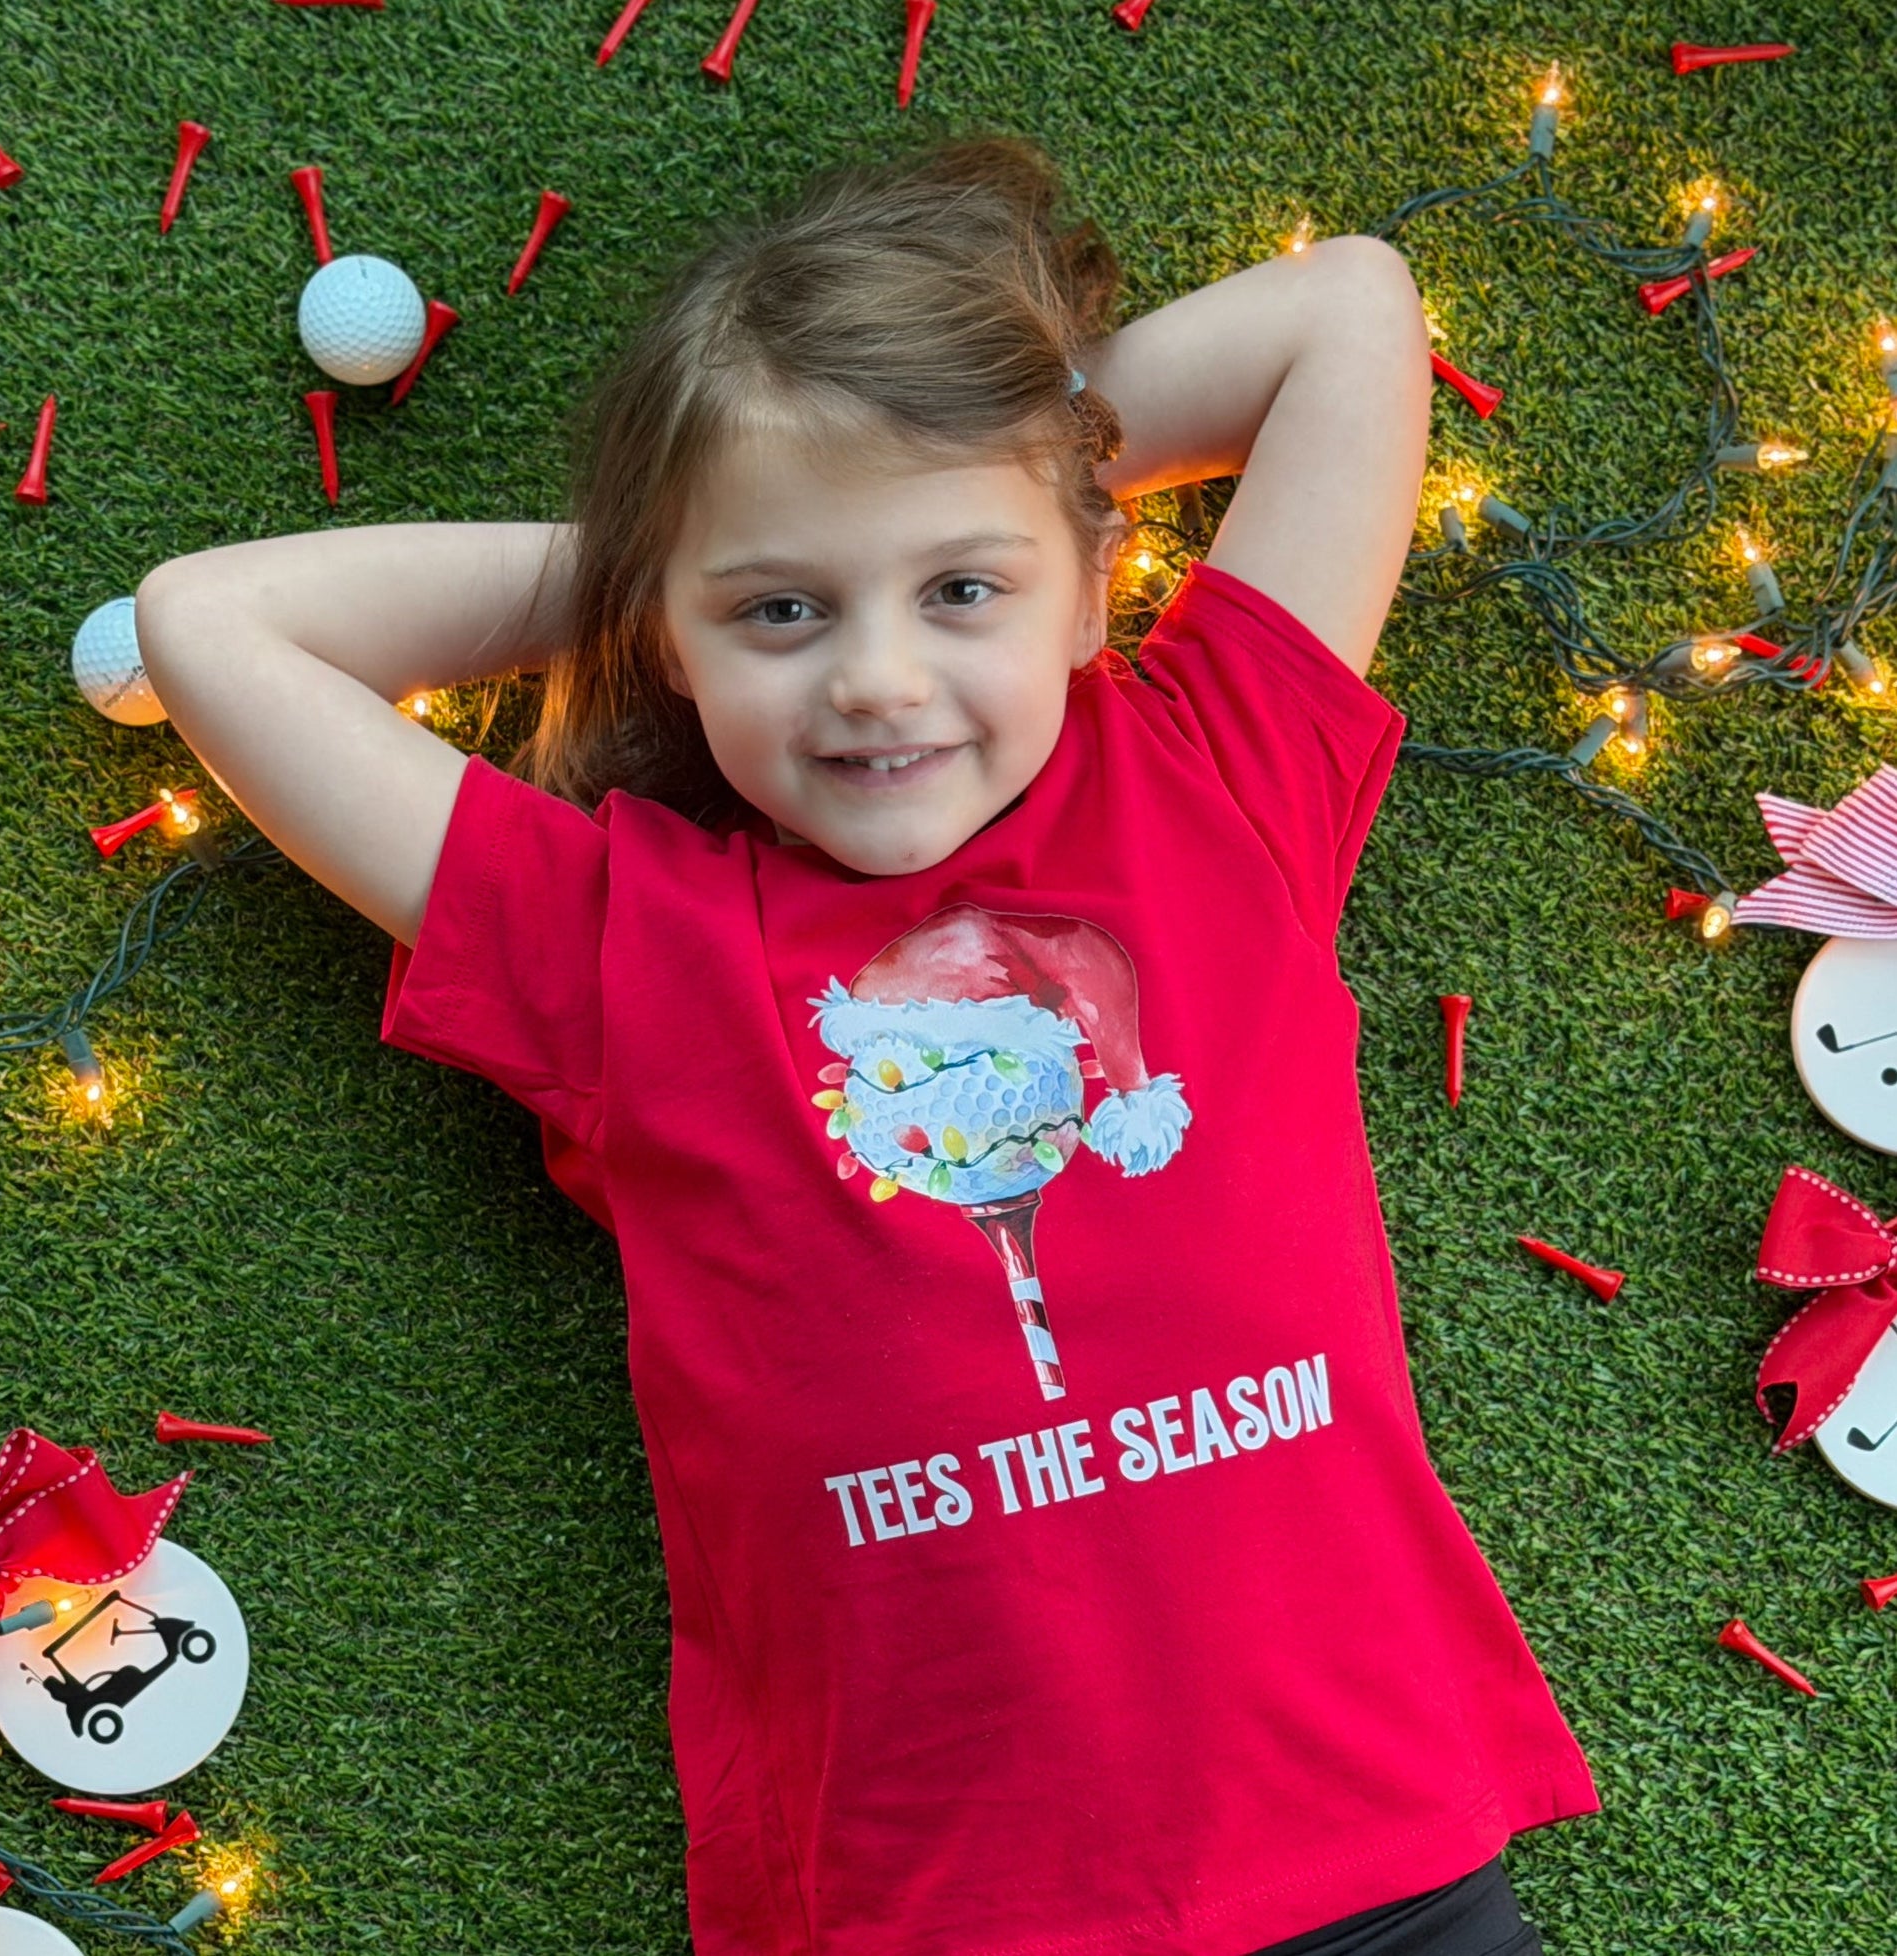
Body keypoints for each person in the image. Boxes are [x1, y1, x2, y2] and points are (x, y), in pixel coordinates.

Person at [134, 132, 1599, 1956]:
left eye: (959, 589)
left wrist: (973, 465)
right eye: (778, 609)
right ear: (667, 642)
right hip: (938, 1919)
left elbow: (1346, 311)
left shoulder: (1210, 782)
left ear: (1088, 578)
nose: (877, 678)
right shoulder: (627, 948)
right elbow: (218, 622)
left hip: (1378, 1873)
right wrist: (679, 545)